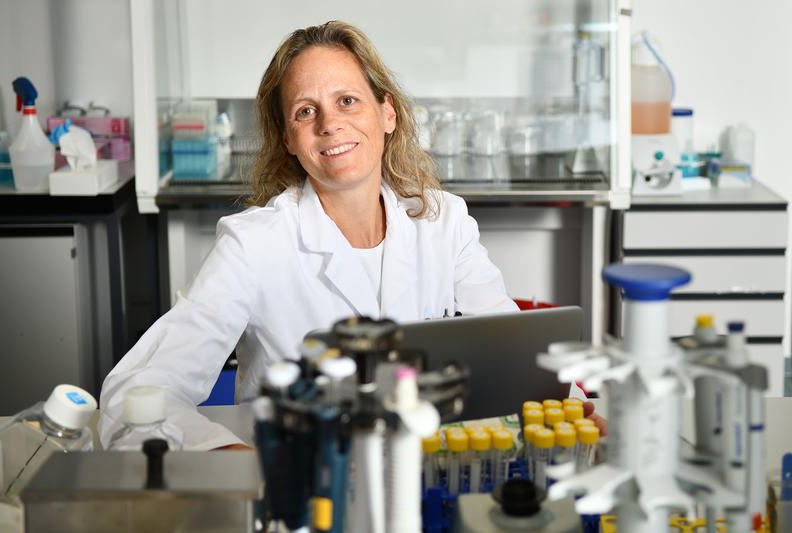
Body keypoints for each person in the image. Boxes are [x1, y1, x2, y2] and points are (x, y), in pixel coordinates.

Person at [100, 21, 603, 451]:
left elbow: (516, 353)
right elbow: (136, 392)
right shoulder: (255, 244)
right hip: (303, 483)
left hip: (420, 474)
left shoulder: (443, 222)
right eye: (305, 111)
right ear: (288, 139)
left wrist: (578, 415)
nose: (330, 124)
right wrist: (228, 453)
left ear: (387, 114)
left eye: (347, 100)